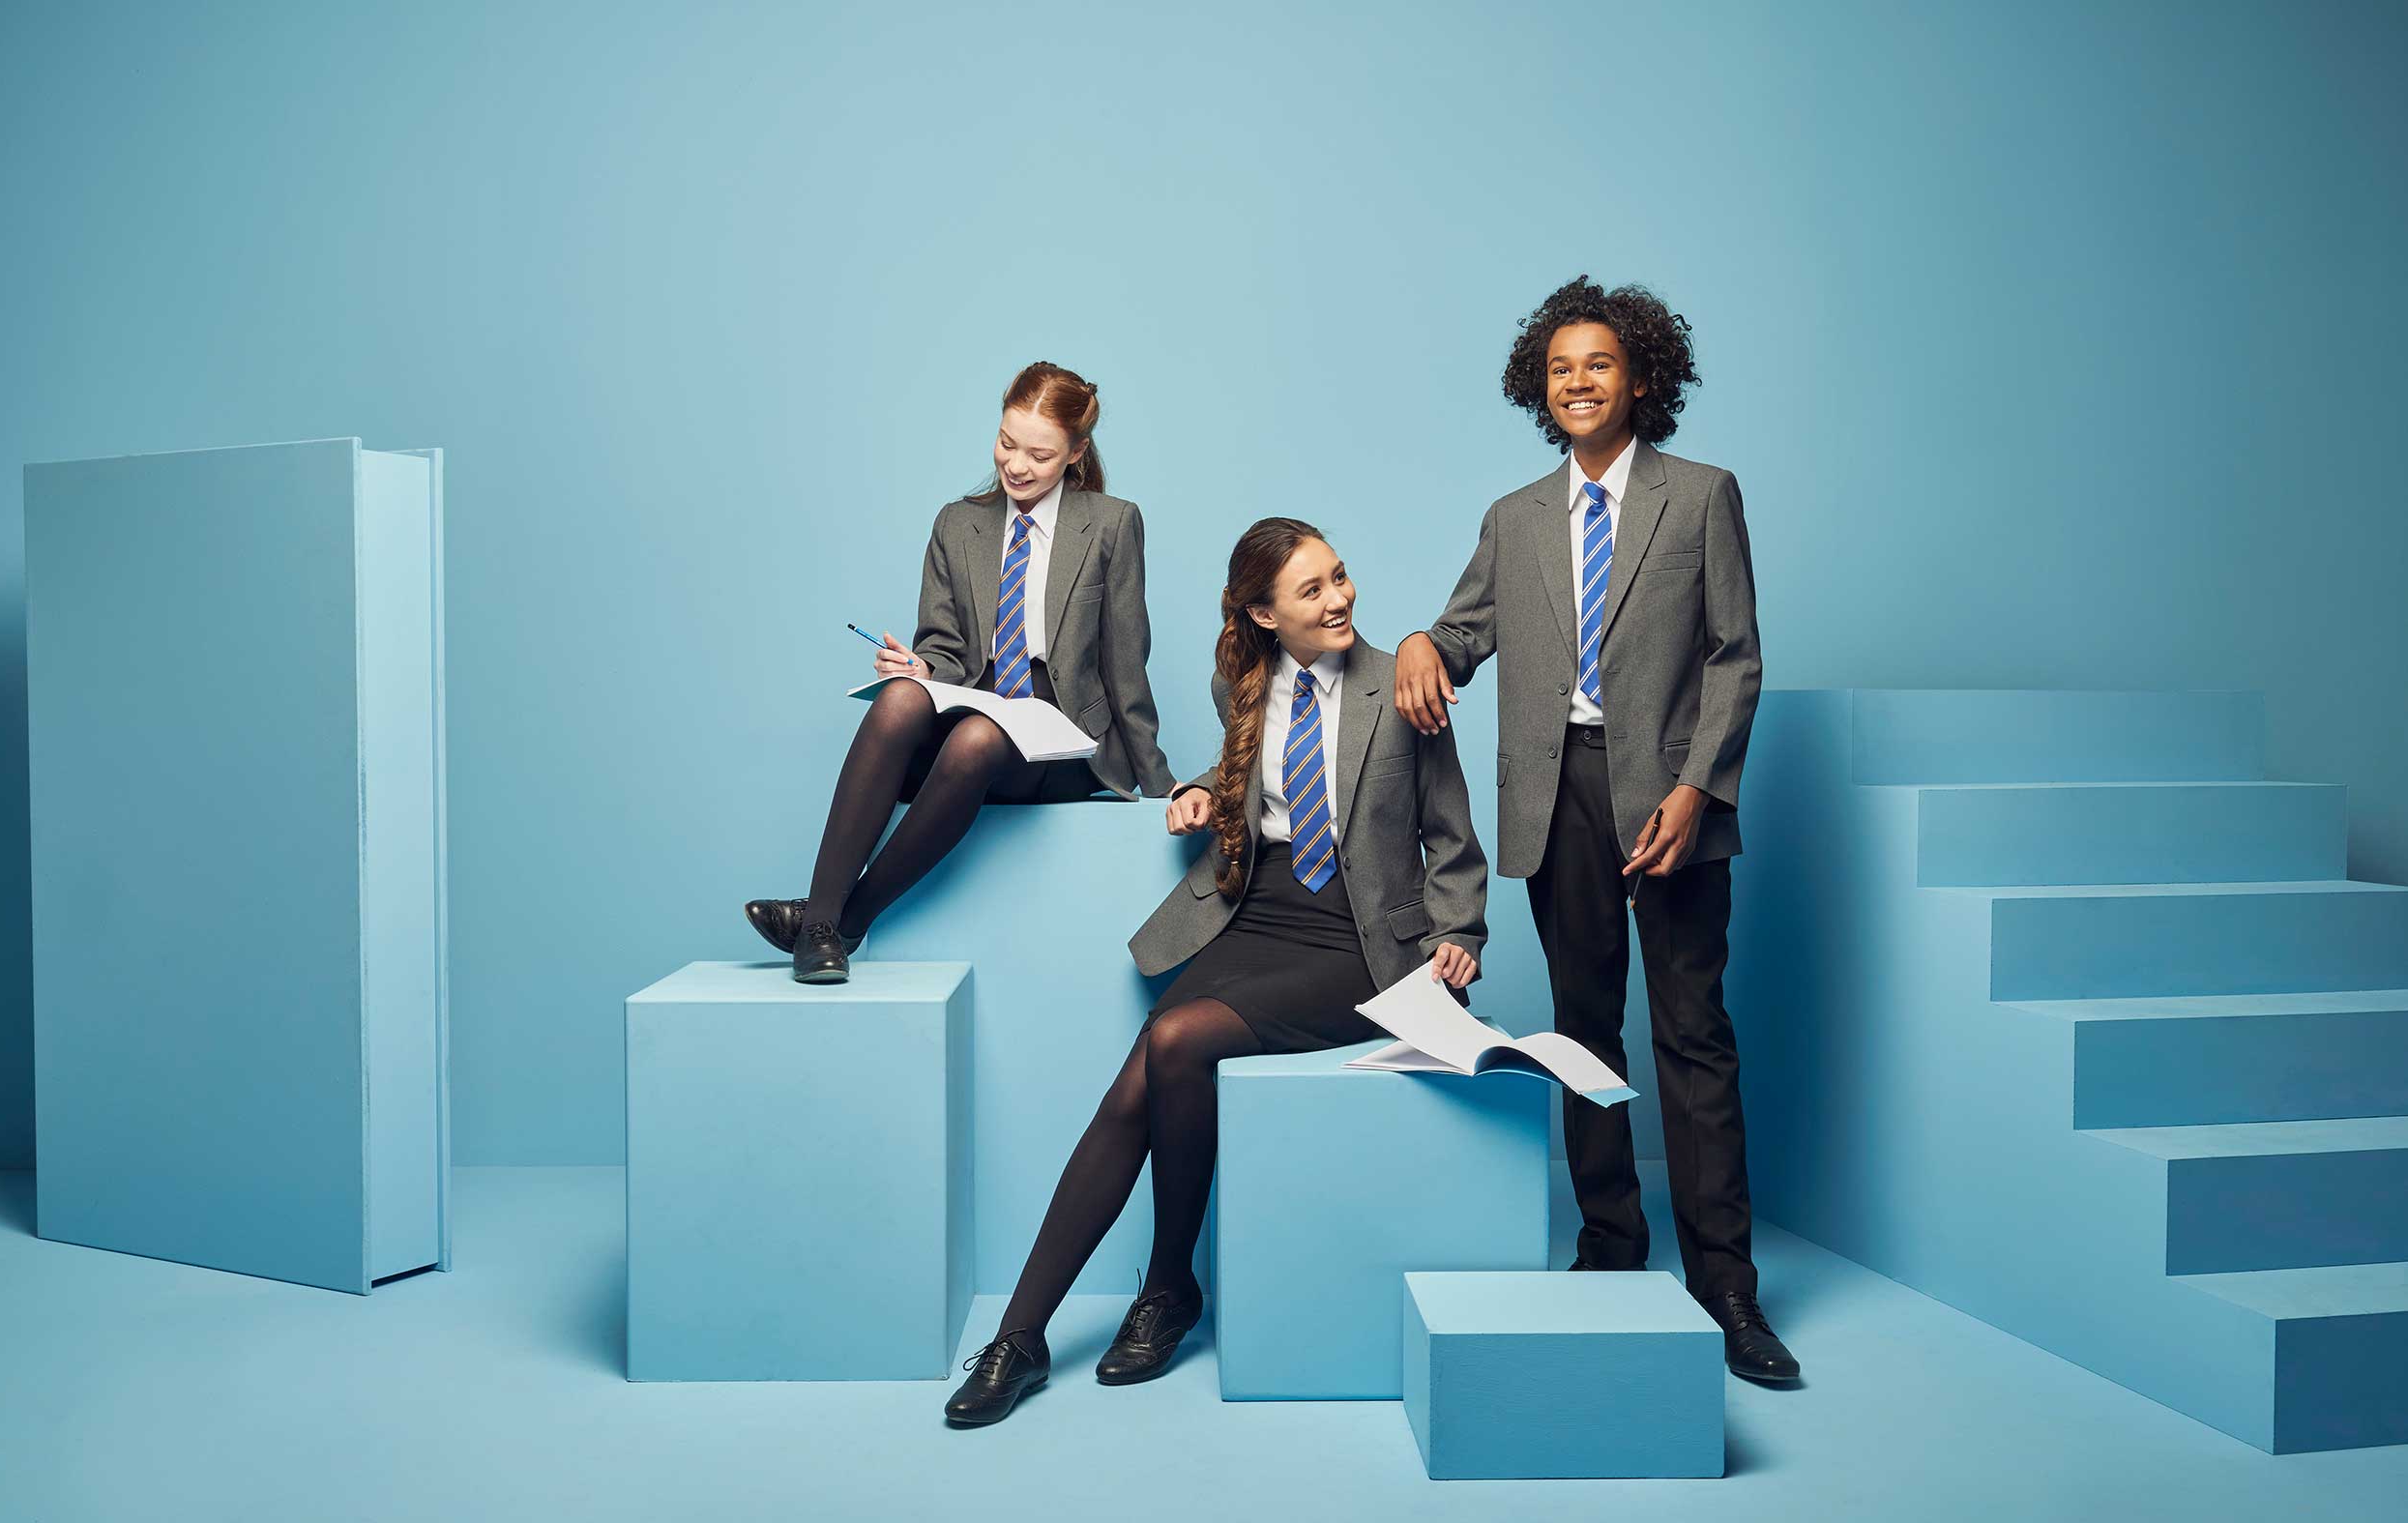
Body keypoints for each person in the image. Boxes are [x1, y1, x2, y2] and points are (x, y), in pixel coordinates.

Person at [944, 517, 1487, 1425]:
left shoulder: (1401, 682)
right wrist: (1204, 787)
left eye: (1341, 577)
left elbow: (1453, 833)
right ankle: (1021, 1337)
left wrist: (1458, 929)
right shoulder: (1244, 684)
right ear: (1264, 614)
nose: (1339, 598)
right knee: (1137, 1081)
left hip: (1359, 943)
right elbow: (1258, 774)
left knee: (1175, 1036)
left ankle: (1164, 1285)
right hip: (1257, 913)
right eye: (1311, 590)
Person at [1391, 278, 1799, 1383]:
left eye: (1599, 365)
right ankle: (1610, 1247)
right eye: (1559, 368)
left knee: (1691, 1032)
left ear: (1643, 380)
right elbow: (1464, 631)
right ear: (1540, 386)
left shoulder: (1701, 495)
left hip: (1668, 795)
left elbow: (1734, 655)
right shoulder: (1514, 517)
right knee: (1582, 1028)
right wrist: (1422, 645)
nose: (1577, 381)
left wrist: (1697, 788)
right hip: (1555, 789)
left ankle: (1728, 1288)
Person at [745, 362, 1178, 983]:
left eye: (1040, 454)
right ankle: (822, 926)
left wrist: (1157, 789)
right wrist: (923, 669)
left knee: (975, 739)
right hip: (973, 728)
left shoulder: (1111, 523)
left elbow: (1125, 662)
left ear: (1076, 454)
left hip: (1060, 748)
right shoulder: (958, 523)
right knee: (899, 699)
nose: (1018, 466)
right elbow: (947, 652)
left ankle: (834, 920)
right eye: (1006, 443)